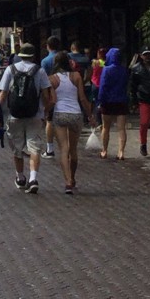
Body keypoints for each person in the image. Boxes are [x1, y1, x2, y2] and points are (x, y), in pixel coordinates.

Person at [0, 42, 53, 194]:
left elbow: (2, 95)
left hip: (15, 115)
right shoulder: (39, 71)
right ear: (33, 55)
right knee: (34, 147)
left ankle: (20, 177)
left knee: (17, 147)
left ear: (20, 55)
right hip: (35, 115)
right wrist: (44, 111)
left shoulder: (10, 69)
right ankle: (33, 179)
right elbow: (46, 95)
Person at [48, 51, 95, 193]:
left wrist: (44, 113)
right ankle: (73, 178)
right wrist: (90, 116)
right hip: (75, 114)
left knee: (64, 148)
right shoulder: (76, 76)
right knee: (73, 150)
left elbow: (52, 100)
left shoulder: (52, 79)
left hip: (60, 114)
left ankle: (67, 181)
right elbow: (82, 98)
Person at [98, 47, 129, 160]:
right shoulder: (124, 70)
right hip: (121, 101)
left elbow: (103, 87)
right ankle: (121, 152)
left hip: (108, 101)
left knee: (106, 127)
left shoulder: (106, 70)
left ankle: (104, 150)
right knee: (121, 128)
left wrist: (100, 101)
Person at [40, 35, 62, 157]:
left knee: (50, 120)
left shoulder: (45, 61)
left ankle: (50, 148)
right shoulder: (65, 57)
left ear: (47, 46)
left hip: (50, 92)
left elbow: (43, 79)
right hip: (65, 92)